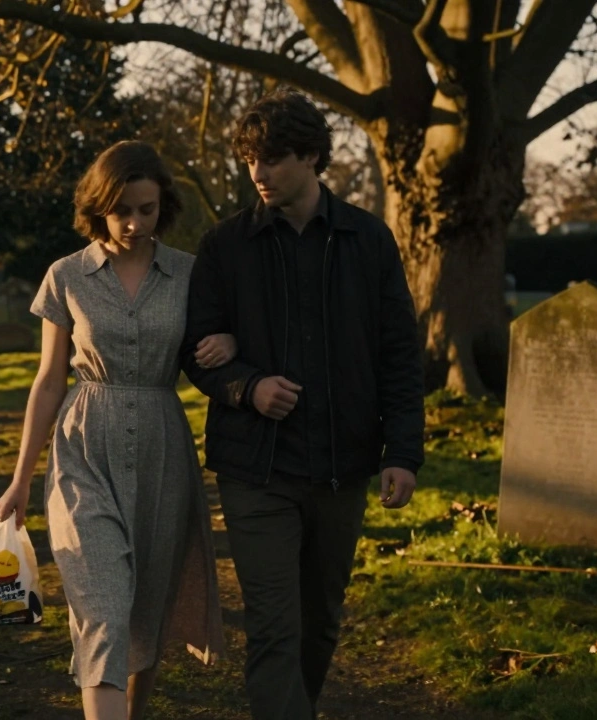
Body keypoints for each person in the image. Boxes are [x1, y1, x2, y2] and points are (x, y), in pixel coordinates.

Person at [179, 88, 425, 719]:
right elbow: (196, 349)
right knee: (273, 626)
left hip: (343, 466)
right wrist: (247, 385)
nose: (258, 172)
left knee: (319, 626)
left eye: (273, 158)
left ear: (313, 156)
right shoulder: (224, 247)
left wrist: (403, 452)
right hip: (255, 470)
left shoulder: (369, 242)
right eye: (250, 160)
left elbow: (399, 354)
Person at [0, 140, 229, 720]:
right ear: (98, 207)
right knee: (102, 605)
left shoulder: (190, 275)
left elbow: (208, 355)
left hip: (162, 448)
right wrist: (20, 479)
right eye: (120, 209)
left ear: (162, 207)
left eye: (146, 210)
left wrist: (230, 343)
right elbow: (49, 379)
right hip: (83, 448)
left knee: (145, 606)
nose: (133, 222)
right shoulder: (66, 276)